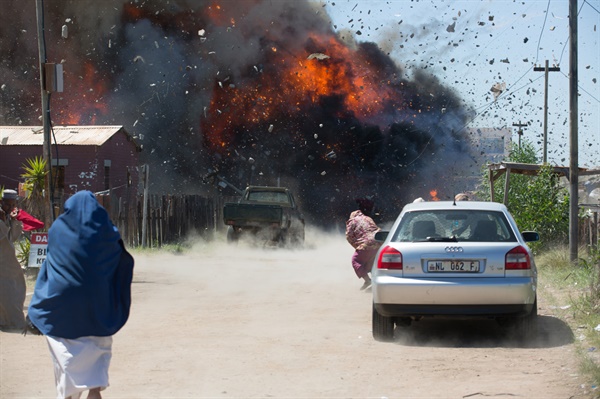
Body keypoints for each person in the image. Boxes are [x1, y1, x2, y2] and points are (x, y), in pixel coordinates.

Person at [27, 191, 134, 399]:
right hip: (98, 309)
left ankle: (68, 394)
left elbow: (50, 265)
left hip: (62, 310)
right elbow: (120, 260)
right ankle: (94, 391)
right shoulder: (107, 232)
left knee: (65, 359)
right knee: (97, 355)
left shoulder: (58, 229)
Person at [0, 189, 26, 331]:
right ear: (1, 202)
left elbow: (13, 238)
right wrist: (2, 222)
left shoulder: (8, 216)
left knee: (15, 291)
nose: (10, 208)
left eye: (13, 205)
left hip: (7, 264)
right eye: (7, 205)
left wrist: (14, 221)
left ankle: (10, 322)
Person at [346, 198, 382, 290]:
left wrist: (357, 246)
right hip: (379, 242)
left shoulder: (352, 221)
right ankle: (377, 281)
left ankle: (367, 280)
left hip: (366, 244)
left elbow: (349, 236)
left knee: (356, 260)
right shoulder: (368, 218)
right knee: (373, 262)